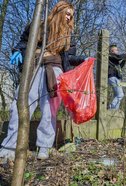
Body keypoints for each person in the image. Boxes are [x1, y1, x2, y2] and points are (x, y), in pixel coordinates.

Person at [0, 1, 86, 160]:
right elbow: (23, 41)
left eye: (71, 15)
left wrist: (83, 59)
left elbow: (69, 58)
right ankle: (9, 147)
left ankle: (44, 147)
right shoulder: (39, 25)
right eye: (66, 13)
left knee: (49, 110)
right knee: (19, 104)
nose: (68, 17)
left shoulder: (68, 36)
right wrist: (18, 50)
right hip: (32, 68)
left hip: (54, 71)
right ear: (58, 11)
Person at [108, 44, 126, 109]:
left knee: (117, 95)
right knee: (120, 95)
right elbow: (118, 57)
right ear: (111, 51)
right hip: (113, 77)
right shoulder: (110, 56)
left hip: (117, 78)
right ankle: (111, 107)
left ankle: (114, 111)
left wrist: (125, 59)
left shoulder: (115, 60)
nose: (117, 51)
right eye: (116, 50)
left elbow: (120, 67)